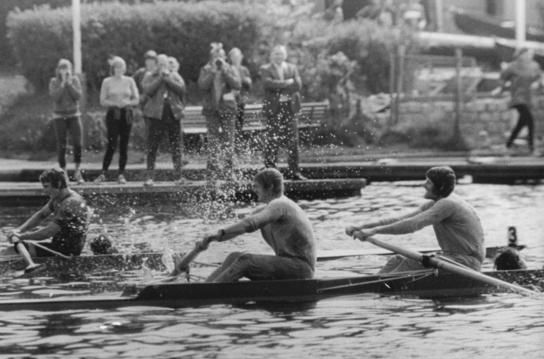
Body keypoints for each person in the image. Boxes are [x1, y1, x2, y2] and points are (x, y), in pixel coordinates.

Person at [345, 166, 485, 273]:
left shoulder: (448, 204)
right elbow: (400, 219)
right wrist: (362, 227)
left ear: (440, 187)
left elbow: (412, 225)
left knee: (409, 264)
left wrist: (373, 231)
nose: (424, 185)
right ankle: (378, 288)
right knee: (397, 259)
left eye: (428, 183)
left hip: (466, 262)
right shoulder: (437, 202)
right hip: (452, 258)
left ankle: (380, 293)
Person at [195, 168, 316, 282]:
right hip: (288, 264)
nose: (254, 190)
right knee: (234, 257)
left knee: (246, 261)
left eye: (257, 186)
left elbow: (250, 224)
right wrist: (212, 238)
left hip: (301, 269)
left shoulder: (281, 205)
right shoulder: (269, 209)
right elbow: (239, 228)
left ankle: (208, 293)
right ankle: (205, 287)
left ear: (270, 187)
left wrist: (220, 232)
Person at [6, 169, 90, 267]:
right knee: (9, 251)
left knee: (12, 251)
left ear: (58, 184)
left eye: (46, 186)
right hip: (57, 246)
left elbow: (48, 232)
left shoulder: (71, 203)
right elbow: (41, 215)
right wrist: (19, 230)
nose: (44, 190)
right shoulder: (57, 198)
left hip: (66, 253)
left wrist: (22, 237)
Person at [197, 42, 242, 181]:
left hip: (227, 108)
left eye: (221, 56)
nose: (218, 59)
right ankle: (212, 171)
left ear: (225, 57)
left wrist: (225, 71)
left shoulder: (230, 68)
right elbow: (202, 86)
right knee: (213, 141)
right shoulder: (206, 69)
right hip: (211, 110)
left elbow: (237, 84)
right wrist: (212, 72)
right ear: (211, 57)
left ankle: (229, 171)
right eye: (216, 56)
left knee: (229, 140)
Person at [260, 44, 305, 179]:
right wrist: (286, 83)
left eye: (281, 54)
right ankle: (271, 172)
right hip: (274, 110)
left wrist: (280, 85)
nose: (278, 56)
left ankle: (294, 172)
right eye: (276, 54)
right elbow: (268, 84)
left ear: (285, 55)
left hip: (289, 109)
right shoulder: (265, 69)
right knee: (272, 141)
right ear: (271, 55)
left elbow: (298, 85)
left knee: (293, 141)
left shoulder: (292, 68)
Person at [142, 53, 187, 186]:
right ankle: (150, 177)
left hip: (173, 113)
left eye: (165, 64)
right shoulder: (149, 76)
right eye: (160, 64)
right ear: (156, 65)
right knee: (152, 146)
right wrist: (160, 78)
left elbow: (182, 90)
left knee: (176, 145)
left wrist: (167, 79)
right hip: (156, 115)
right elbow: (148, 91)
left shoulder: (174, 75)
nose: (163, 66)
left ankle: (178, 176)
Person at [97, 56, 139, 184]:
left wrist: (126, 102)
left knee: (124, 144)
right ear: (113, 68)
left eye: (121, 66)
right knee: (112, 143)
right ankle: (104, 172)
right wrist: (114, 103)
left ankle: (121, 173)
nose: (119, 69)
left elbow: (136, 99)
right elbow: (102, 100)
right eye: (117, 67)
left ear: (124, 68)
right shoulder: (107, 81)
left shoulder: (130, 80)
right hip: (113, 113)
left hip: (126, 113)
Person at [499, 47, 543, 155]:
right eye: (524, 54)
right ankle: (532, 149)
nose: (527, 56)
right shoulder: (512, 66)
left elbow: (540, 78)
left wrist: (539, 84)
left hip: (530, 98)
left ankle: (507, 146)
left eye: (529, 54)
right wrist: (503, 87)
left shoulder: (534, 66)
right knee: (530, 121)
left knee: (521, 123)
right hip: (518, 98)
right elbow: (502, 78)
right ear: (519, 55)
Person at [49, 59, 84, 183]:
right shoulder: (54, 81)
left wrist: (69, 84)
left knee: (78, 143)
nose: (64, 71)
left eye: (67, 68)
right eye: (62, 68)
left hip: (74, 114)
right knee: (62, 144)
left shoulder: (74, 80)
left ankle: (78, 170)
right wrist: (63, 84)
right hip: (59, 116)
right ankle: (63, 172)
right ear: (58, 70)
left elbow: (78, 96)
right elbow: (55, 97)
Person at [229, 47, 253, 137]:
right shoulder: (228, 69)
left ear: (241, 57)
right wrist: (242, 80)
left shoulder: (244, 70)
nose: (236, 58)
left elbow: (249, 86)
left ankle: (238, 147)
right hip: (230, 101)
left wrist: (244, 80)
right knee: (230, 126)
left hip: (241, 102)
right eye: (233, 56)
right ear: (230, 58)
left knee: (239, 125)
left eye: (237, 56)